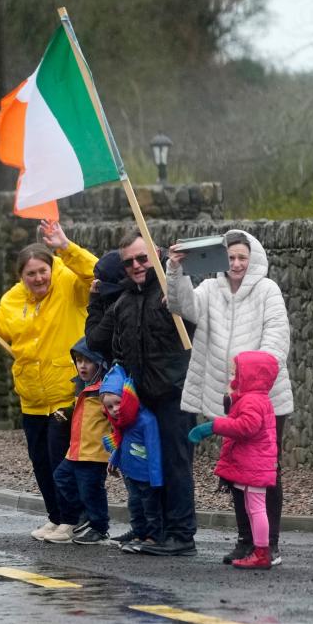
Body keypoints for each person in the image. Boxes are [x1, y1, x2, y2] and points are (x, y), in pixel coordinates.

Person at [0, 220, 97, 541]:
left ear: (51, 267)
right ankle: (56, 516)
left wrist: (65, 246)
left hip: (64, 393)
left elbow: (94, 272)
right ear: (21, 276)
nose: (38, 278)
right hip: (31, 398)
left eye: (42, 271)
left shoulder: (71, 286)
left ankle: (73, 521)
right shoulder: (13, 300)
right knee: (41, 463)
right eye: (30, 274)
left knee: (63, 463)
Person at [166, 229, 292, 565]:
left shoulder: (268, 291)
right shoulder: (209, 289)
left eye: (242, 258)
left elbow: (277, 341)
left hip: (267, 400)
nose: (236, 264)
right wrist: (175, 270)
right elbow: (181, 305)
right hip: (229, 397)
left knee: (266, 471)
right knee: (238, 470)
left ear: (253, 260)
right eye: (231, 257)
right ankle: (245, 540)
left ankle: (269, 543)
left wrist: (254, 383)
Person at [87, 231, 196, 556]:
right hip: (141, 401)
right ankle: (151, 530)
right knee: (144, 466)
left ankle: (180, 535)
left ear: (156, 254)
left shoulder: (171, 293)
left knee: (176, 466)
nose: (135, 266)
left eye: (141, 258)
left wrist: (176, 278)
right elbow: (96, 341)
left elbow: (195, 310)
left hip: (174, 395)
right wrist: (95, 301)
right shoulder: (123, 301)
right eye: (129, 262)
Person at [189, 351, 280, 570]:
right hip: (254, 463)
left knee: (257, 509)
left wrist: (212, 426)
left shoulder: (252, 401)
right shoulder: (256, 399)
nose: (233, 378)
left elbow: (245, 427)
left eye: (236, 373)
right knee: (253, 508)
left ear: (249, 376)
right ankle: (259, 551)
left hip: (253, 464)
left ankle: (261, 553)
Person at [46, 337, 113, 545]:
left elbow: (114, 419)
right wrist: (68, 412)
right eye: (78, 360)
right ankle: (84, 516)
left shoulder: (104, 390)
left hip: (94, 453)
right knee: (61, 477)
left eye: (88, 361)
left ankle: (100, 527)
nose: (82, 365)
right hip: (76, 450)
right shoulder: (83, 387)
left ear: (100, 364)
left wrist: (115, 450)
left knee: (91, 490)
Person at [99, 364, 163, 554]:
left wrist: (156, 478)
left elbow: (154, 450)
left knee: (150, 507)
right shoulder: (124, 422)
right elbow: (123, 444)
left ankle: (153, 537)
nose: (115, 409)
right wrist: (114, 459)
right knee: (135, 505)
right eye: (109, 407)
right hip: (131, 474)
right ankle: (139, 534)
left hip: (147, 476)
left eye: (118, 402)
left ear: (127, 397)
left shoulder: (146, 420)